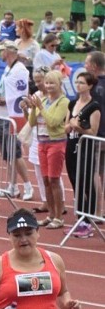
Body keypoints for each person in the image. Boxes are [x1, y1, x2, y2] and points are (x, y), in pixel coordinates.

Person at [25, 70, 70, 228]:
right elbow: (32, 122)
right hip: (41, 143)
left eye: (52, 83)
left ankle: (59, 216)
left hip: (56, 143)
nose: (49, 86)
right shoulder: (42, 99)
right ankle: (50, 214)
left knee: (54, 179)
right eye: (47, 83)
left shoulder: (63, 102)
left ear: (59, 84)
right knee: (45, 180)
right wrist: (31, 108)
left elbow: (54, 121)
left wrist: (40, 108)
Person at [66, 69, 102, 233]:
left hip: (86, 147)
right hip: (71, 144)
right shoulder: (72, 103)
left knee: (86, 181)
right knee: (74, 180)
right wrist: (71, 126)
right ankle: (80, 216)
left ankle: (88, 220)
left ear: (90, 86)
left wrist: (77, 126)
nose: (78, 85)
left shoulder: (94, 107)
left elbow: (93, 131)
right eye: (77, 82)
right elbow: (66, 126)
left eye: (82, 83)